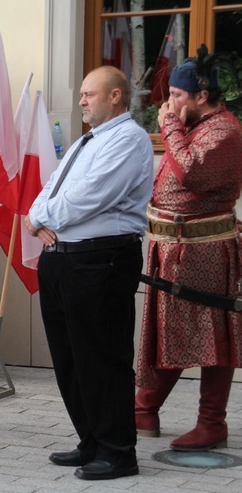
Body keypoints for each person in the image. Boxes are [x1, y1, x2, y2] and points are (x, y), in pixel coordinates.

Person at [24, 66, 153, 480]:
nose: (81, 100)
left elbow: (90, 198)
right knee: (70, 357)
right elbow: (53, 186)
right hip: (63, 258)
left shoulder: (129, 140)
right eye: (80, 94)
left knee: (102, 356)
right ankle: (92, 440)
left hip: (101, 260)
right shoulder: (87, 141)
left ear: (116, 96)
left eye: (89, 94)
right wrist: (36, 213)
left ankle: (118, 452)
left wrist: (38, 215)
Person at [135, 47, 242, 451]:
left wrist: (170, 127)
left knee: (214, 333)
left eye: (177, 96)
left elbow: (190, 172)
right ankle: (145, 409)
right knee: (167, 331)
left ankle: (212, 422)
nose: (168, 104)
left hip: (206, 251)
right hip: (172, 247)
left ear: (200, 95)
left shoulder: (224, 131)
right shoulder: (195, 122)